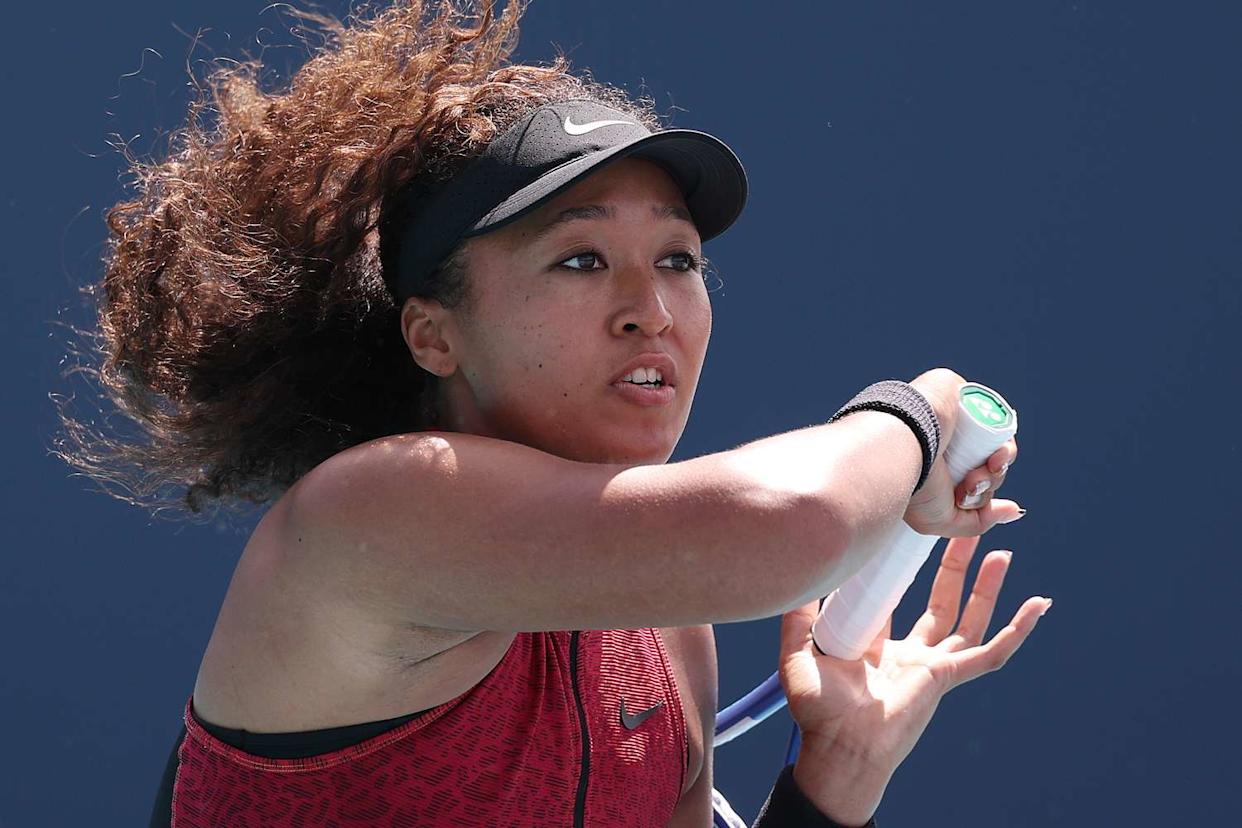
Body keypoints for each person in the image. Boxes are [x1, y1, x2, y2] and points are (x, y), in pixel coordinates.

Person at [55, 1, 1049, 825]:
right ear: (433, 335)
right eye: (580, 259)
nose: (651, 311)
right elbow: (798, 524)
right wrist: (925, 411)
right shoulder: (377, 512)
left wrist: (834, 782)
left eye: (678, 261)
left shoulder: (671, 629)